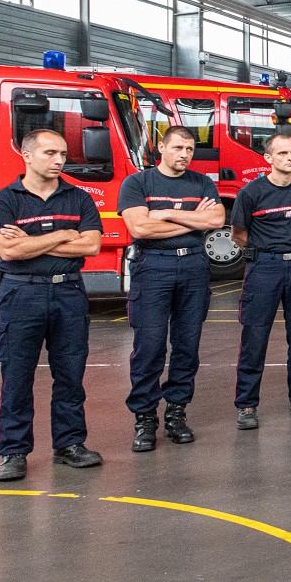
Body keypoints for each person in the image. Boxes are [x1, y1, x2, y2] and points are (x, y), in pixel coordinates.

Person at [0, 129, 104, 481]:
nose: (59, 161)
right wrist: (64, 235)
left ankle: (69, 443)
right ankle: (13, 452)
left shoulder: (78, 198)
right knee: (17, 377)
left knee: (70, 375)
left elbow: (91, 247)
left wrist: (34, 241)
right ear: (26, 156)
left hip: (68, 294)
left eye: (63, 154)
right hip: (20, 294)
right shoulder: (4, 200)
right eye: (50, 153)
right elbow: (9, 251)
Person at [118, 125, 224, 452]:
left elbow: (216, 221)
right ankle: (145, 416)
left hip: (193, 265)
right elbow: (139, 227)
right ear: (161, 148)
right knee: (149, 346)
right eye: (178, 148)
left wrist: (163, 213)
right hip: (153, 266)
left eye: (189, 150)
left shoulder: (202, 183)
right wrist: (191, 217)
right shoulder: (138, 183)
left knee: (187, 345)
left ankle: (176, 412)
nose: (184, 155)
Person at [231, 133, 291, 428]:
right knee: (255, 338)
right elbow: (238, 233)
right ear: (268, 158)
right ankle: (247, 405)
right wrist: (269, 250)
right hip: (263, 270)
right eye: (282, 153)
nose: (289, 158)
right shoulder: (251, 192)